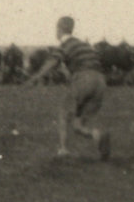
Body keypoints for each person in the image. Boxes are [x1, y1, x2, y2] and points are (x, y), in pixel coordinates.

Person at [25, 16, 111, 159]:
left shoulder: (65, 45)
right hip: (100, 81)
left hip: (84, 78)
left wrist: (35, 78)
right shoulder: (84, 45)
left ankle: (63, 149)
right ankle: (97, 135)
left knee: (63, 113)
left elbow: (52, 63)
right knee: (77, 124)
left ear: (59, 29)